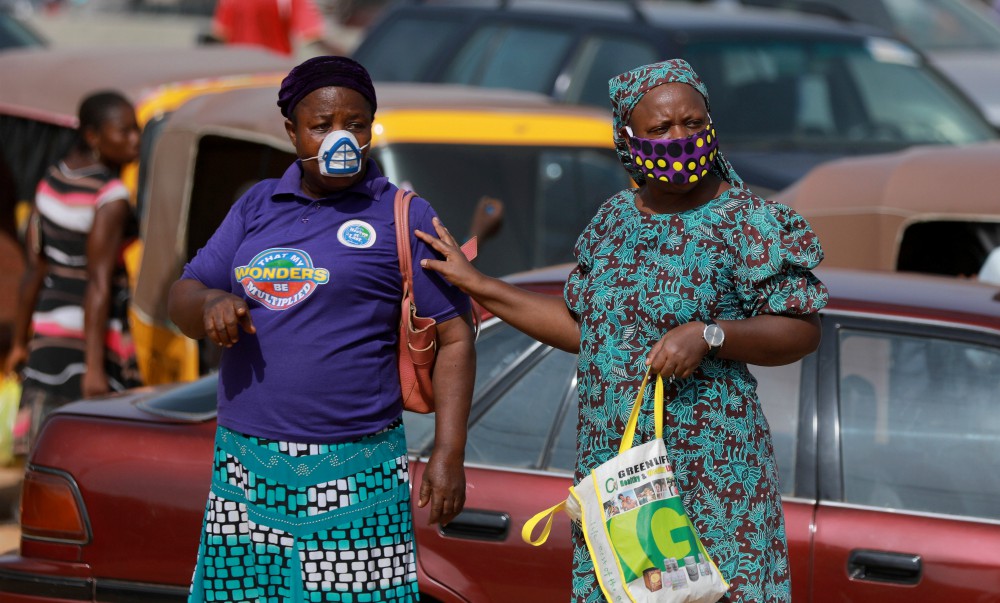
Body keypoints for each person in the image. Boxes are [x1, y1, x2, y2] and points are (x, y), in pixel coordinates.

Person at [416, 58, 828, 602]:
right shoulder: (614, 221)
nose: (680, 138)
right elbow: (586, 332)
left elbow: (800, 329)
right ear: (628, 139)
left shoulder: (749, 222)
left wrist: (710, 335)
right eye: (660, 129)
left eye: (692, 123)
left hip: (713, 479)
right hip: (619, 480)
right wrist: (479, 285)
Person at [167, 56, 476, 602]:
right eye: (322, 125)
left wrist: (449, 452)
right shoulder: (256, 205)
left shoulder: (402, 214)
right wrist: (211, 302)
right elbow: (183, 295)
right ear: (291, 132)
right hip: (249, 464)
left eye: (355, 124)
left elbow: (454, 334)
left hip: (358, 468)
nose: (341, 138)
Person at [5, 90, 142, 450]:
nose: (135, 141)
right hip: (90, 338)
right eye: (124, 132)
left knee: (43, 450)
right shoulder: (110, 196)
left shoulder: (52, 179)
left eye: (137, 130)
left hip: (48, 330)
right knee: (92, 455)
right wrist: (94, 368)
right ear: (93, 136)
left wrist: (21, 342)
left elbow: (34, 269)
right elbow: (98, 284)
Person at [211, 0, 344, 57]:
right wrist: (354, 58)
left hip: (240, 71)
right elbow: (313, 35)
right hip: (273, 73)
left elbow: (221, 33)